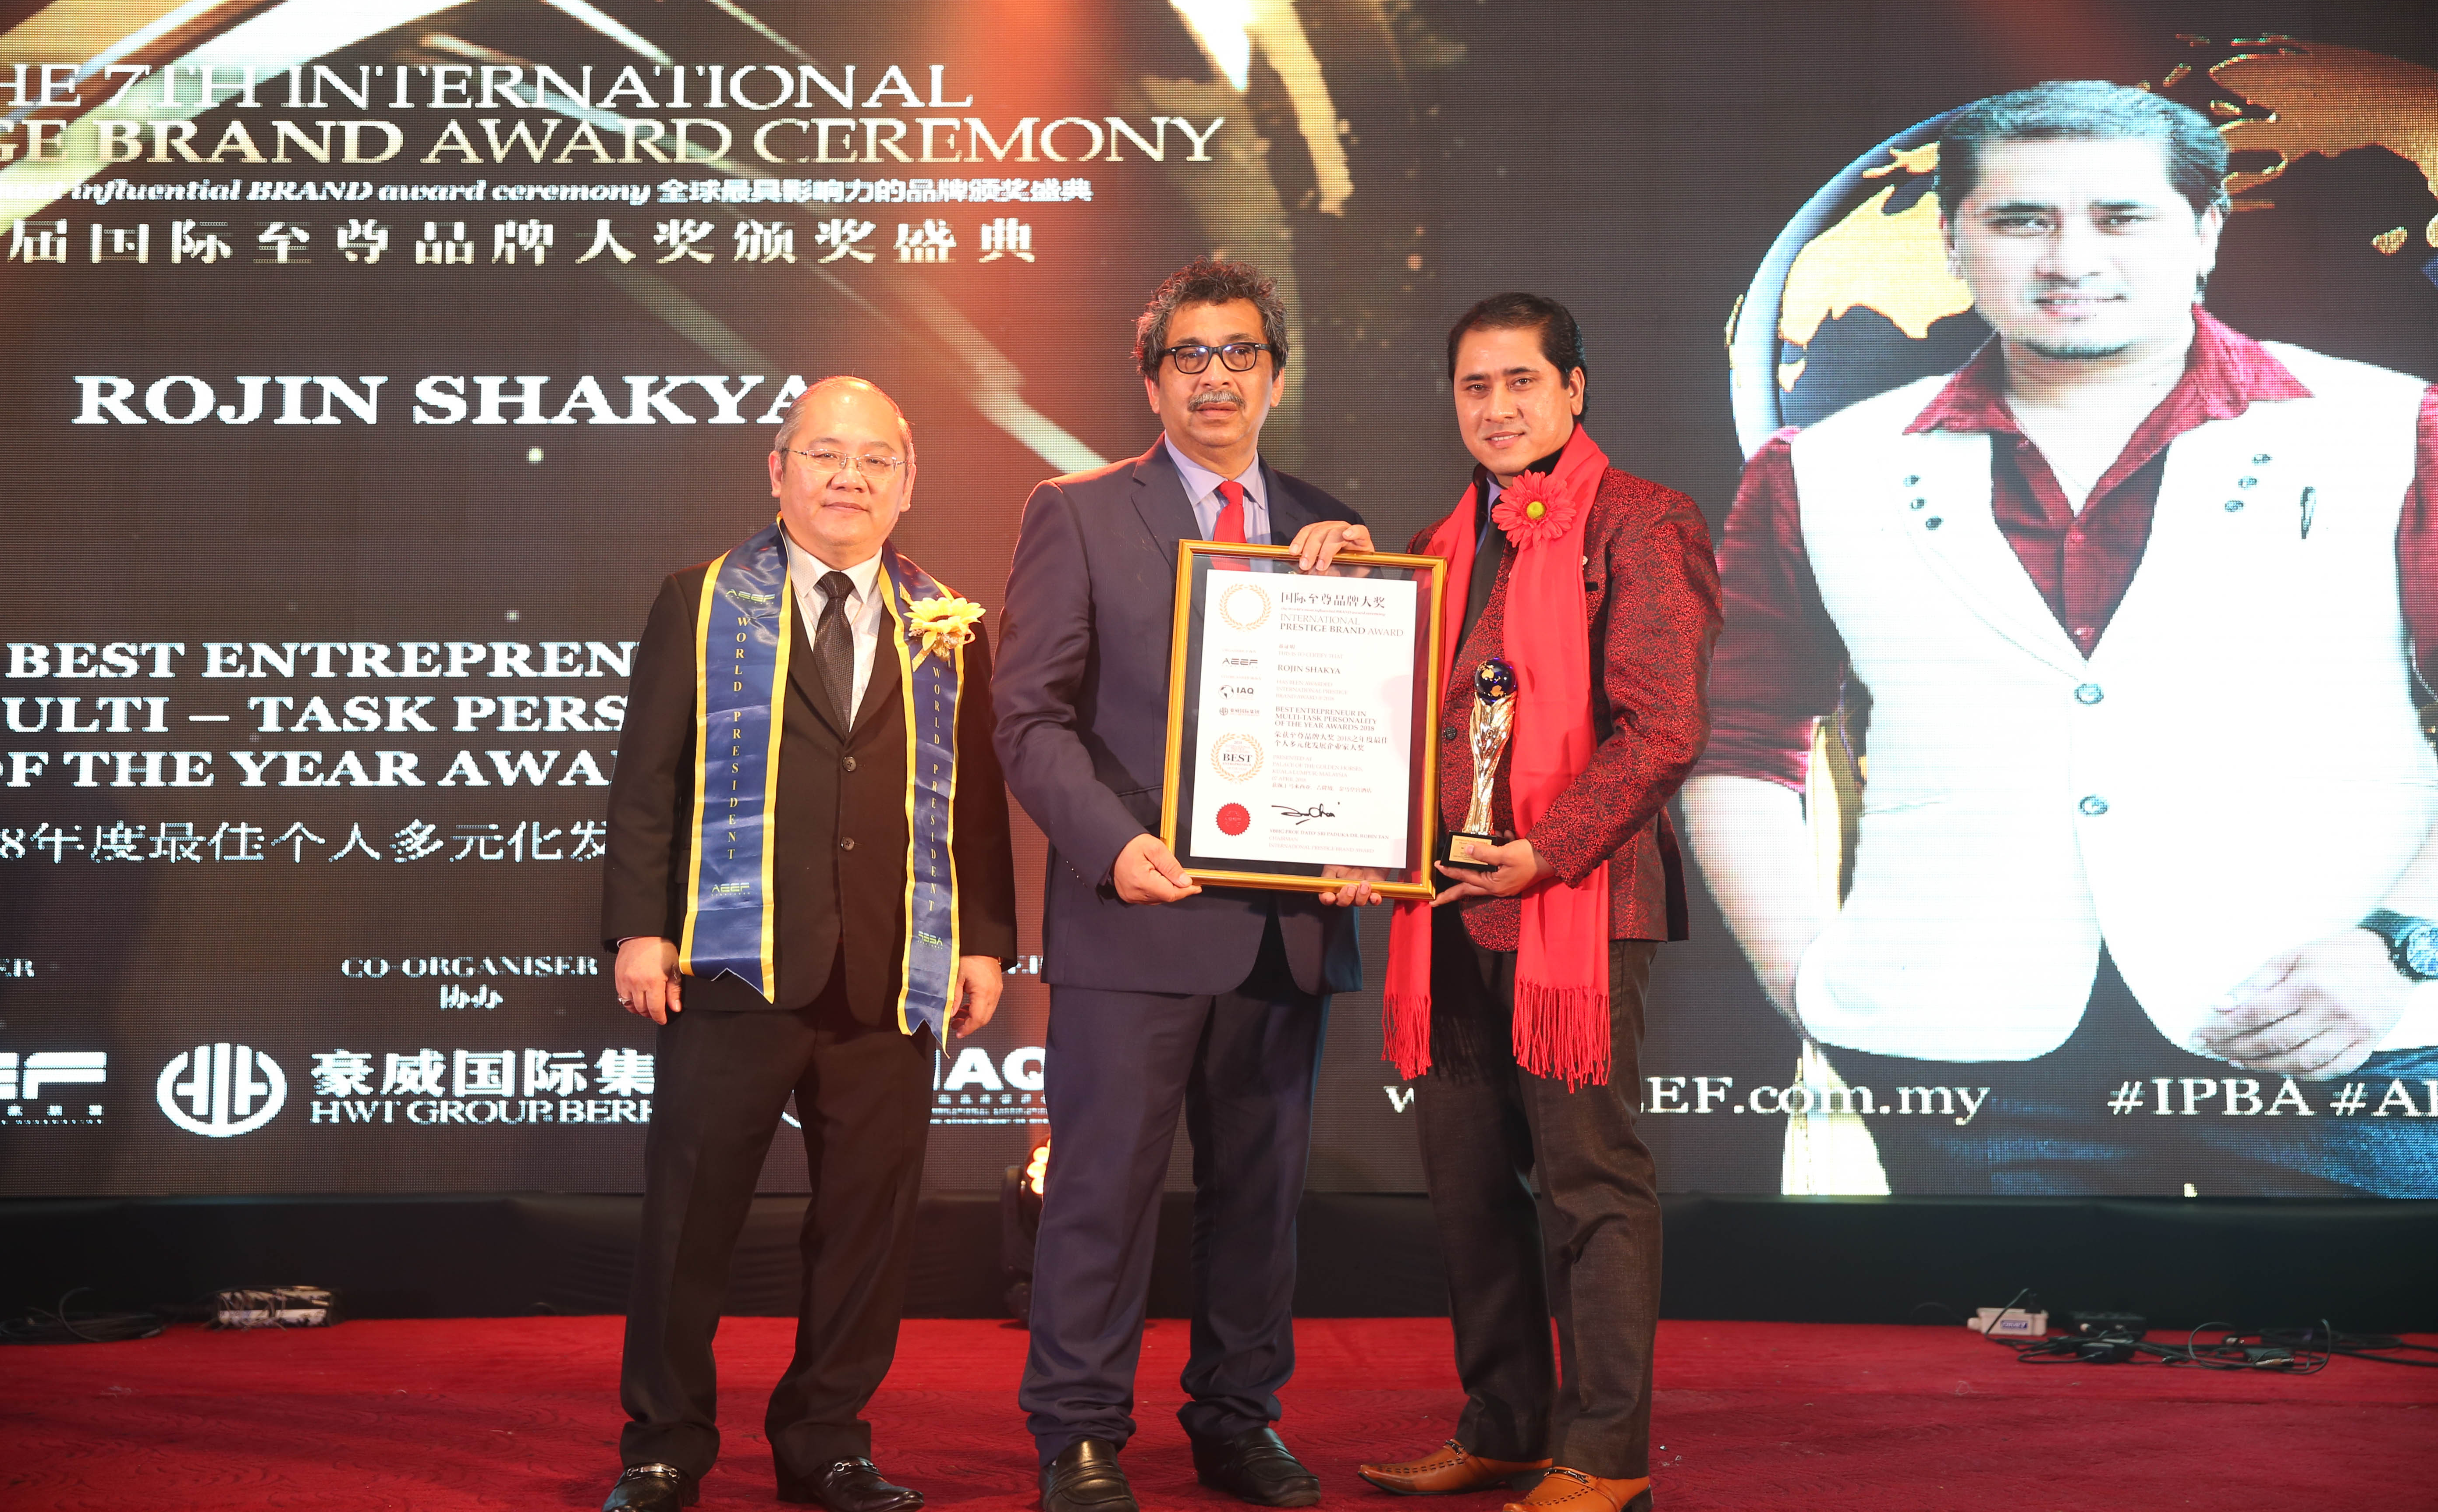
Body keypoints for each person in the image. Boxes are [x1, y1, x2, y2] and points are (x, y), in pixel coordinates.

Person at [1683, 80, 2438, 1196]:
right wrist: (1807, 986)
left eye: (2121, 217)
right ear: (1953, 241)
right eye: (2020, 219)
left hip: (2334, 1044)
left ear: (2206, 233)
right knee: (2013, 1323)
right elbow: (1740, 751)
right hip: (1971, 1063)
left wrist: (2404, 944)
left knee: (2359, 1318)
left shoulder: (2396, 433)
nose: (2070, 258)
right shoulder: (1818, 471)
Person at [993, 258, 1375, 1512]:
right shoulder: (1078, 511)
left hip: (1284, 931)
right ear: (1151, 381)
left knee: (1258, 1202)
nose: (1216, 376)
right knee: (1100, 1195)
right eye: (1189, 356)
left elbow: (1367, 718)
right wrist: (1111, 845)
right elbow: (1029, 717)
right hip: (1134, 919)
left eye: (1240, 353)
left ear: (1276, 377)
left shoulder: (1332, 528)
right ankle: (1078, 1434)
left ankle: (1236, 1420)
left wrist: (1362, 832)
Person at [597, 377, 1018, 1512]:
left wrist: (985, 940)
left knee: (866, 1227)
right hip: (732, 962)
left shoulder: (947, 622)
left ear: (907, 483)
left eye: (875, 459)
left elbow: (977, 803)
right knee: (689, 1219)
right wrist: (640, 928)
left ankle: (826, 1442)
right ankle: (663, 1446)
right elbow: (647, 782)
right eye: (825, 454)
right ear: (777, 470)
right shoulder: (699, 602)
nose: (849, 478)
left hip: (891, 969)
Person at [1352, 294, 1718, 1512]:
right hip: (1448, 907)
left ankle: (1604, 1455)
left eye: (1521, 382)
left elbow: (1663, 729)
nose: (1498, 408)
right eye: (1475, 387)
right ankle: (1504, 1425)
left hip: (1577, 906)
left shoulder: (1644, 521)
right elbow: (1396, 725)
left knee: (1588, 1186)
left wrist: (1545, 851)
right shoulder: (1438, 545)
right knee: (1467, 1188)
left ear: (1574, 391)